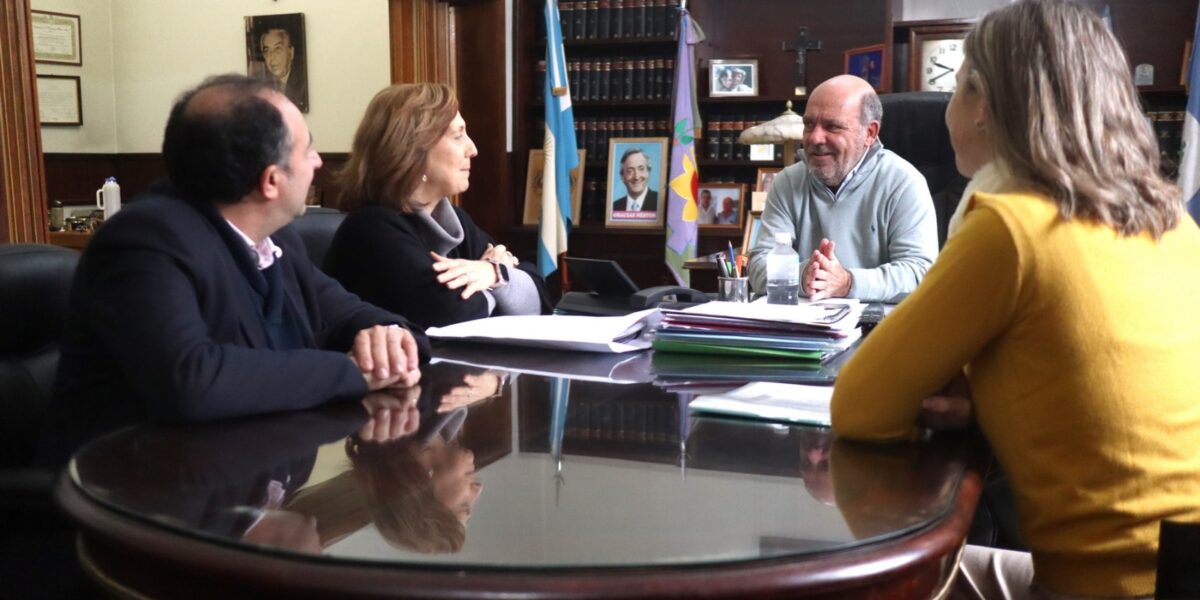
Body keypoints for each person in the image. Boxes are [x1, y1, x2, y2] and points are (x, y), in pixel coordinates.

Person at [830, 1, 1200, 598]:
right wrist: (984, 400)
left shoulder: (1012, 224)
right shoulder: (1174, 221)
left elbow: (859, 408)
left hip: (1107, 585)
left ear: (983, 104)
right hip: (1180, 570)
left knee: (863, 583)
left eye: (956, 88)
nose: (947, 108)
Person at [48, 74, 426, 451]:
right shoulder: (143, 241)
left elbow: (353, 314)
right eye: (307, 149)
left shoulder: (278, 239)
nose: (318, 161)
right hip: (128, 478)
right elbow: (191, 381)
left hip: (249, 467)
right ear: (271, 181)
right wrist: (353, 372)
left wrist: (392, 339)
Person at [324, 83, 546, 330]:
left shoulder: (454, 221)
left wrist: (493, 273)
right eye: (458, 136)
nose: (473, 149)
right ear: (412, 149)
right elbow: (454, 314)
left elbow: (538, 299)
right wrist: (502, 277)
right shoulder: (370, 228)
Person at [746, 74, 937, 301]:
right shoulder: (787, 182)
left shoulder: (903, 183)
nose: (815, 138)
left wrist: (848, 283)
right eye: (809, 124)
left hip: (881, 321)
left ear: (869, 133)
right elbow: (758, 267)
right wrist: (804, 276)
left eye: (832, 126)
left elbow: (920, 273)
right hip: (803, 319)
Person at [259, 27, 308, 112]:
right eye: (267, 51)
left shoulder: (304, 83)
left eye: (278, 49)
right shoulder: (260, 84)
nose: (272, 57)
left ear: (291, 53)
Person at [611, 148, 658, 212]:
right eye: (630, 171)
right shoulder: (614, 207)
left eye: (641, 169)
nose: (636, 177)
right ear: (622, 177)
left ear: (648, 172)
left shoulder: (659, 202)